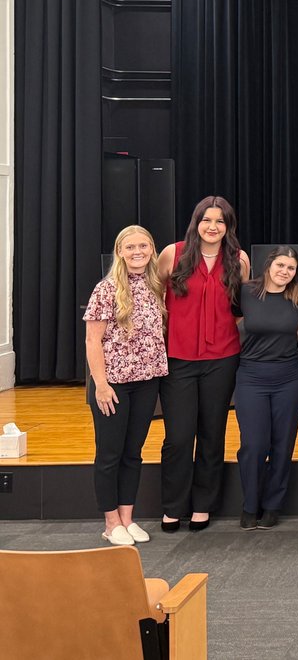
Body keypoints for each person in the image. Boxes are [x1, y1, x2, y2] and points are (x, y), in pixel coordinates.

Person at [158, 196, 250, 532]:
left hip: (222, 359)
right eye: (206, 220)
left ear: (229, 226)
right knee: (179, 437)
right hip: (179, 358)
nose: (212, 227)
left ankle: (202, 505)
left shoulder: (239, 260)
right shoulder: (173, 253)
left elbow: (239, 311)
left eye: (220, 221)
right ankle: (173, 506)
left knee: (213, 434)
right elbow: (155, 300)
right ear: (196, 222)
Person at [83, 225, 168, 545]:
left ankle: (127, 519)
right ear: (120, 251)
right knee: (110, 454)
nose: (137, 252)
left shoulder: (155, 285)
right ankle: (110, 523)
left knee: (133, 453)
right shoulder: (106, 289)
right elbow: (92, 340)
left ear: (151, 250)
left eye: (143, 246)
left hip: (147, 382)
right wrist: (100, 385)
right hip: (113, 386)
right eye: (130, 247)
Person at [233, 245, 298, 531]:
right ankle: (250, 505)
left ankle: (272, 505)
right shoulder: (246, 293)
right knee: (254, 445)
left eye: (290, 268)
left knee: (282, 444)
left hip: (289, 379)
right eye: (280, 265)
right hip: (251, 378)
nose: (284, 272)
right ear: (268, 265)